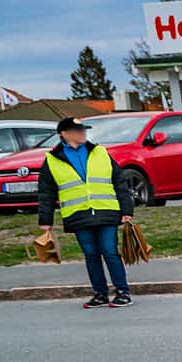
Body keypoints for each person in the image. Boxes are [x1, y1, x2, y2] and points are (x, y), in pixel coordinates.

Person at [33, 116, 135, 309]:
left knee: (110, 251)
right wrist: (45, 220)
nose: (83, 134)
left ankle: (123, 292)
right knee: (91, 254)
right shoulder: (52, 160)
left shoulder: (100, 152)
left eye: (83, 130)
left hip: (106, 210)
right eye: (78, 131)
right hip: (78, 213)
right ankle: (100, 294)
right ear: (64, 134)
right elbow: (46, 193)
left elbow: (119, 182)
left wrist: (127, 209)